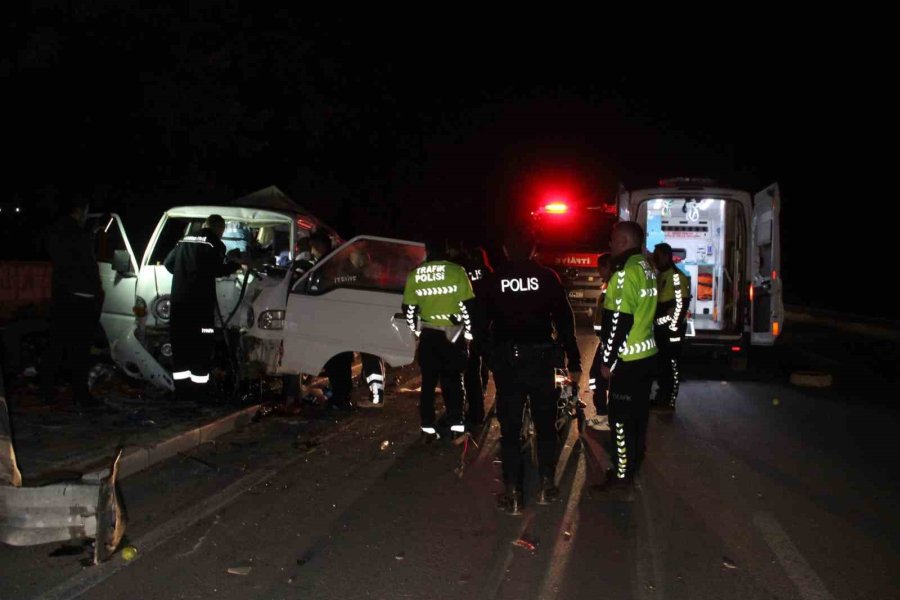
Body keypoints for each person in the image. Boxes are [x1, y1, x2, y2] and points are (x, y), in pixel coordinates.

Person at [479, 229, 581, 514]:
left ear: (505, 250)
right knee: (546, 424)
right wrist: (573, 359)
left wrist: (491, 358)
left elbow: (479, 325)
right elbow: (564, 320)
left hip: (508, 364)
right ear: (534, 249)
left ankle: (513, 493)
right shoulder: (547, 278)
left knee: (510, 429)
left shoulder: (493, 280)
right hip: (541, 361)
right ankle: (546, 485)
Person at [590, 222, 658, 489]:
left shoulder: (623, 274)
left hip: (628, 362)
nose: (610, 244)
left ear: (623, 241)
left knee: (619, 420)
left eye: (613, 239)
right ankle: (633, 465)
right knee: (638, 418)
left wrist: (607, 361)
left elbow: (618, 322)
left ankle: (620, 475)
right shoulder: (646, 268)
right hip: (646, 356)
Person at [401, 238, 475, 443]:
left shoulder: (415, 274)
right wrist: (468, 333)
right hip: (453, 336)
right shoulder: (457, 271)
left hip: (429, 336)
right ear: (447, 251)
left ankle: (427, 428)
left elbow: (408, 309)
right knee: (453, 381)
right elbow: (468, 307)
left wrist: (416, 331)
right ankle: (456, 426)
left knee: (428, 383)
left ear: (427, 252)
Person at [164, 214, 242, 402]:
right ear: (220, 229)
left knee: (181, 346)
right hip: (200, 306)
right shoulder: (214, 243)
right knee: (201, 346)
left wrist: (184, 274)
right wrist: (235, 264)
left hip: (179, 304)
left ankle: (182, 392)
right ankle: (199, 392)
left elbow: (168, 264)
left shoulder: (184, 240)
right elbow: (218, 269)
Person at [40, 197, 104, 409]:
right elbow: (87, 266)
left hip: (62, 296)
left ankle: (46, 391)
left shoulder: (55, 231)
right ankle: (80, 395)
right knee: (80, 350)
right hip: (81, 299)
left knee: (56, 345)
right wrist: (97, 294)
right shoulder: (79, 234)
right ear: (80, 210)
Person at [449, 241, 493, 429]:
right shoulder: (488, 272)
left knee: (471, 370)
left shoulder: (461, 270)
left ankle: (476, 413)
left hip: (468, 325)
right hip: (486, 325)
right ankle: (501, 402)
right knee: (493, 365)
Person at [652, 243, 690, 410]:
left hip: (671, 331)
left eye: (657, 256)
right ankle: (661, 397)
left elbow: (681, 305)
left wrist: (672, 327)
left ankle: (669, 401)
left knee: (672, 366)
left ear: (666, 256)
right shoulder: (661, 275)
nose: (655, 260)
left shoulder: (676, 277)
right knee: (662, 365)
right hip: (661, 329)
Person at [587, 253, 613, 430]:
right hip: (605, 340)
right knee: (598, 377)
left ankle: (603, 416)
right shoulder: (608, 286)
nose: (598, 271)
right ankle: (604, 414)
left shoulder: (613, 287)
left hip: (608, 341)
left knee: (597, 376)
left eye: (600, 268)